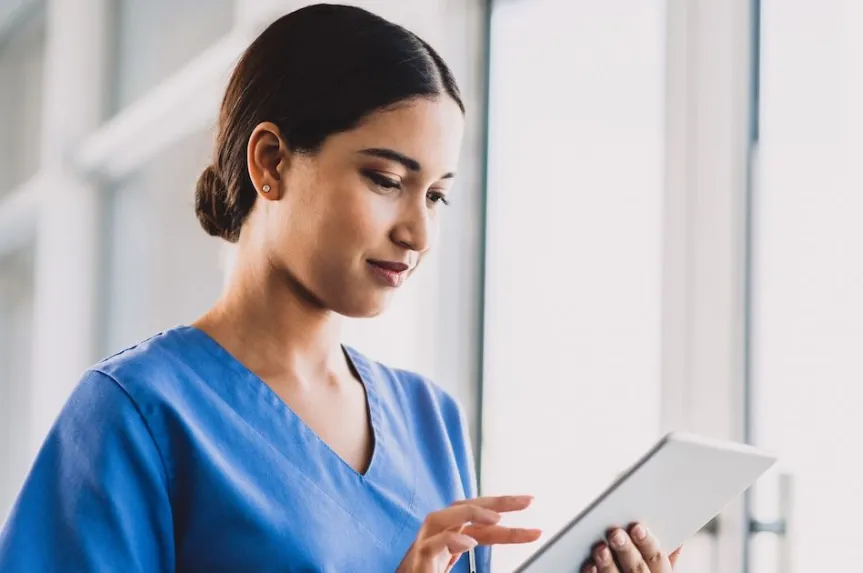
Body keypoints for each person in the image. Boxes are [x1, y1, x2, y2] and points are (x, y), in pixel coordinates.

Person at [0, 4, 683, 572]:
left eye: (436, 196)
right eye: (386, 180)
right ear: (271, 162)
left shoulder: (431, 421)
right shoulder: (137, 413)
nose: (418, 232)